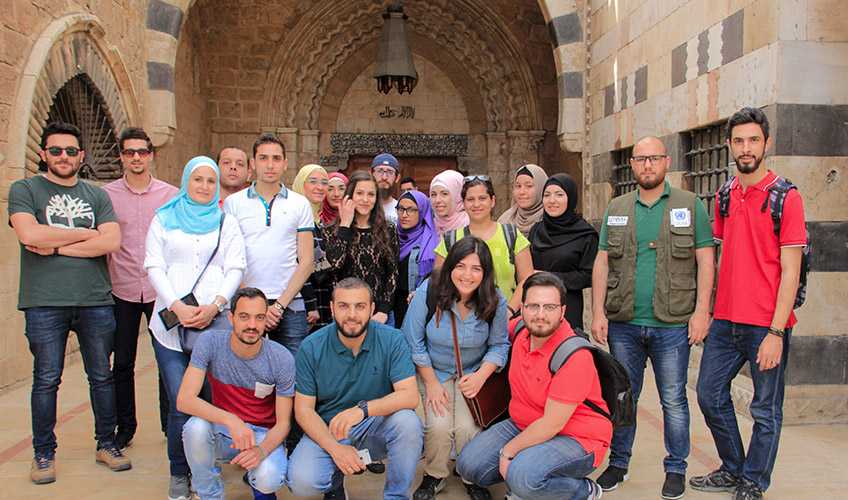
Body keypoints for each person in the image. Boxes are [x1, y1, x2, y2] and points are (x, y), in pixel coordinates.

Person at [590, 136, 715, 500]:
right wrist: (598, 311)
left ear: (667, 161)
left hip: (673, 323)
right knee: (624, 396)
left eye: (654, 159)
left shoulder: (690, 205)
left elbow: (705, 259)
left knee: (673, 400)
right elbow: (603, 261)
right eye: (641, 159)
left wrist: (702, 311)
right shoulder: (617, 206)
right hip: (624, 323)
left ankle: (676, 468)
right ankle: (618, 462)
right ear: (632, 164)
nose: (648, 165)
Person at [691, 108, 805, 500]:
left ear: (766, 144)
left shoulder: (785, 197)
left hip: (766, 324)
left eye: (753, 140)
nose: (746, 148)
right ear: (729, 146)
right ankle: (734, 468)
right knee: (709, 395)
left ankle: (754, 481)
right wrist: (706, 310)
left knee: (764, 409)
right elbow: (720, 257)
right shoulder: (725, 194)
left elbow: (791, 271)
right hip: (725, 320)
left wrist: (776, 331)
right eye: (738, 141)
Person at [9, 122, 130, 484]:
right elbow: (28, 233)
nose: (64, 157)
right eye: (56, 150)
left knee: (102, 377)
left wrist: (57, 245)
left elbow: (111, 242)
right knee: (46, 380)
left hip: (94, 299)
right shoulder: (25, 189)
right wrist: (85, 234)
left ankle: (106, 443)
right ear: (44, 154)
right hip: (45, 301)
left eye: (71, 151)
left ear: (81, 156)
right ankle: (43, 453)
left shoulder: (97, 196)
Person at [456, 271, 611, 500]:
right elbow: (487, 332)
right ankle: (531, 475)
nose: (540, 315)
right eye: (533, 306)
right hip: (523, 423)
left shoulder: (573, 357)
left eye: (549, 307)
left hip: (575, 436)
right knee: (468, 466)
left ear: (562, 311)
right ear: (523, 308)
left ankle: (582, 490)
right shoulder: (520, 330)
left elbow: (551, 425)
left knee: (521, 477)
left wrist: (509, 452)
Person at [145, 156, 247, 500]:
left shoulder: (225, 223)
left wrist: (216, 305)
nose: (204, 186)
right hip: (171, 328)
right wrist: (177, 305)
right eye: (197, 179)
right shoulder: (164, 219)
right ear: (186, 181)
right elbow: (154, 265)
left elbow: (235, 267)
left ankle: (206, 465)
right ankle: (179, 471)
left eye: (210, 180)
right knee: (181, 402)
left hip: (213, 325)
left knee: (211, 398)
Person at [285, 278, 423, 500]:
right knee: (302, 483)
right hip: (329, 429)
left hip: (374, 426)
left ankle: (396, 496)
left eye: (359, 306)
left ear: (371, 309)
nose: (351, 315)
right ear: (332, 309)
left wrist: (362, 409)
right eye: (343, 306)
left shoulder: (392, 339)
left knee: (408, 422)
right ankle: (334, 483)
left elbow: (409, 396)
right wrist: (335, 449)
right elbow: (303, 410)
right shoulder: (311, 346)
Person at [402, 236, 510, 500]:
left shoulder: (495, 300)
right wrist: (430, 383)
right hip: (433, 371)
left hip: (472, 374)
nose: (467, 275)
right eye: (461, 266)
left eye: (476, 269)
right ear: (450, 267)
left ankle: (470, 476)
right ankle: (434, 475)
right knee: (438, 426)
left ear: (485, 273)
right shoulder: (430, 291)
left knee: (466, 428)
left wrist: (481, 376)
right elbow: (413, 341)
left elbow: (500, 346)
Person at [178, 287, 295, 500]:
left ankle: (261, 487)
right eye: (244, 317)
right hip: (226, 432)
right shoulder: (210, 342)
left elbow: (284, 424)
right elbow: (185, 399)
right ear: (231, 317)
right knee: (194, 428)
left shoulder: (281, 358)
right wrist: (230, 420)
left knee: (268, 478)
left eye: (259, 318)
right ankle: (210, 495)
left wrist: (261, 451)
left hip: (263, 434)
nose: (252, 325)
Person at [103, 127, 178, 450]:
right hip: (120, 290)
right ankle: (125, 427)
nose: (136, 158)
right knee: (122, 362)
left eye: (142, 152)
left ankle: (168, 425)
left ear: (151, 155)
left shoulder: (170, 195)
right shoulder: (104, 195)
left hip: (161, 292)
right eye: (130, 152)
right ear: (121, 155)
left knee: (168, 358)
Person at [223, 133, 315, 358]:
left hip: (290, 305)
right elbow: (229, 258)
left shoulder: (299, 204)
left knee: (293, 377)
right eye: (263, 158)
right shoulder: (233, 204)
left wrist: (279, 306)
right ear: (253, 164)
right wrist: (254, 305)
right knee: (244, 375)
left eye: (276, 158)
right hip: (246, 305)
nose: (270, 164)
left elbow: (307, 261)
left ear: (285, 163)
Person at [434, 175, 533, 314]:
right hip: (462, 323)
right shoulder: (451, 239)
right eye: (470, 199)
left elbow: (526, 279)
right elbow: (438, 282)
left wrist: (508, 311)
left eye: (482, 198)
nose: (476, 204)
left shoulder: (511, 235)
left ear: (492, 201)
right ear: (463, 203)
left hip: (506, 322)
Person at [323, 171, 399, 325]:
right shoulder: (331, 230)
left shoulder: (388, 229)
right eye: (359, 193)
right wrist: (345, 224)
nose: (365, 199)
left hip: (379, 314)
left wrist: (384, 310)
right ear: (349, 196)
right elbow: (335, 264)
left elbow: (393, 272)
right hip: (346, 313)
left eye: (371, 194)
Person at [528, 174, 598, 331]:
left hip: (568, 305)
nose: (552, 200)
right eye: (547, 195)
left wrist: (550, 277)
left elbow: (588, 276)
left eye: (559, 195)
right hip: (536, 305)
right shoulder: (537, 230)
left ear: (570, 197)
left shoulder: (585, 234)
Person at [292, 164, 334, 331]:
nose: (320, 187)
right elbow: (296, 264)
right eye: (313, 181)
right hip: (303, 302)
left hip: (322, 297)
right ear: (301, 184)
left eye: (324, 182)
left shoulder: (319, 221)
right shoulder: (295, 218)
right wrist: (310, 305)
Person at [394, 190, 439, 326]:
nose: (404, 215)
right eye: (401, 209)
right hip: (390, 307)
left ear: (422, 212)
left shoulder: (429, 243)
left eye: (411, 210)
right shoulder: (391, 237)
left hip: (413, 306)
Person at [497, 164, 548, 237]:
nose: (522, 192)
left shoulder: (550, 221)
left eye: (529, 186)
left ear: (541, 188)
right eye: (518, 186)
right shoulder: (505, 220)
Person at [429, 170, 469, 239]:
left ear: (458, 196)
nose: (437, 200)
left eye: (444, 194)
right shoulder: (430, 227)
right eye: (433, 194)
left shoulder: (472, 226)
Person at [372, 153, 400, 225]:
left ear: (397, 178)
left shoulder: (401, 210)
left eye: (390, 172)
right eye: (379, 171)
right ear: (371, 175)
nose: (384, 177)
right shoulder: (364, 207)